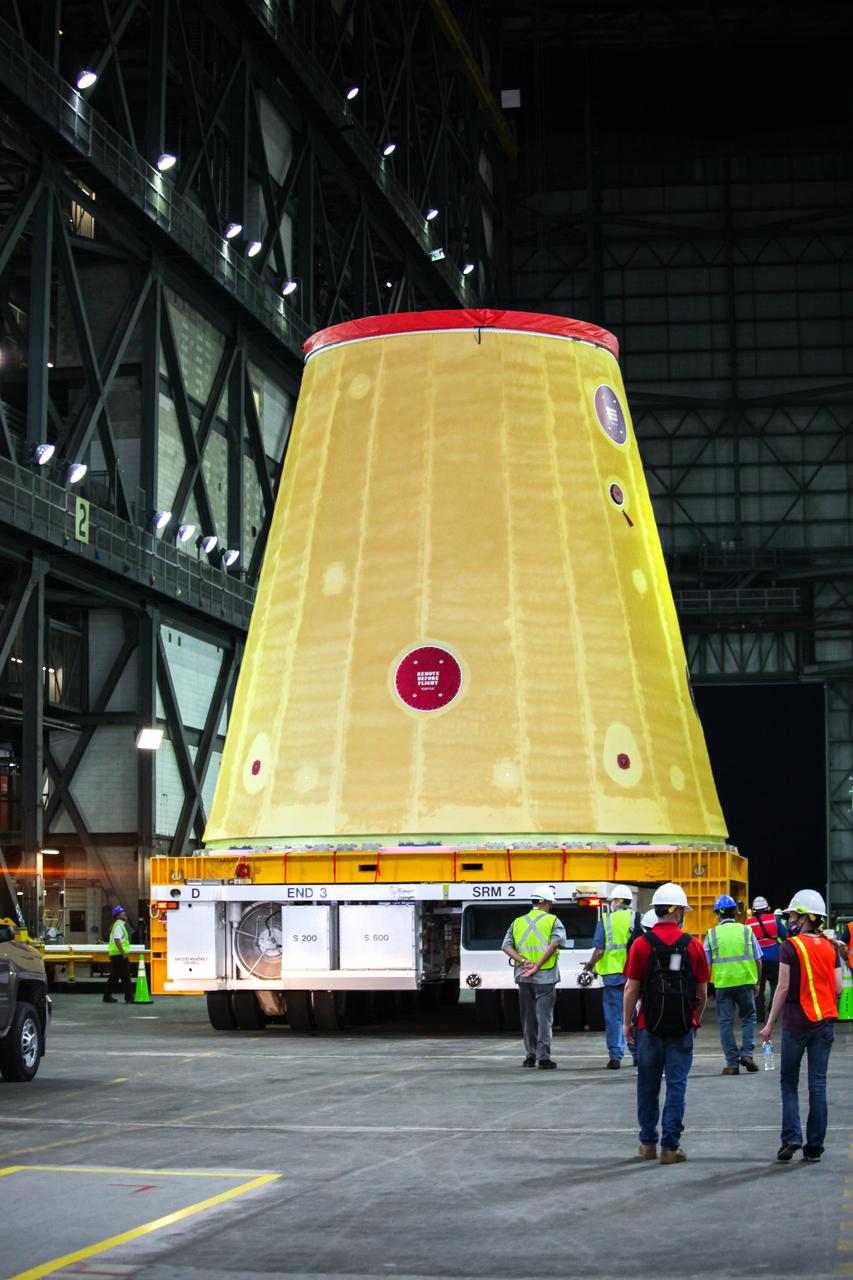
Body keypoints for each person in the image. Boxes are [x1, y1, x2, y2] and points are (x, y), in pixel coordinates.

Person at [622, 881, 708, 1165]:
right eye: (682, 909)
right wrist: (694, 1019)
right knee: (676, 1085)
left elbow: (631, 989)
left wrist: (627, 1023)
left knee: (647, 1085)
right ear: (675, 911)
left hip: (649, 1025)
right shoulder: (693, 945)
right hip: (682, 1026)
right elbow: (702, 991)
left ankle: (647, 1143)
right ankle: (670, 1148)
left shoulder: (641, 945)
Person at [759, 889, 842, 1163]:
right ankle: (815, 1146)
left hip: (796, 1023)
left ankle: (792, 1138)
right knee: (818, 1085)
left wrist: (770, 1023)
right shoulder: (831, 948)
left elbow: (782, 988)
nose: (790, 920)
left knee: (789, 1082)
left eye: (793, 915)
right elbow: (839, 988)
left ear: (805, 917)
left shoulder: (790, 946)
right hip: (825, 1023)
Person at [502, 885, 566, 1069]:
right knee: (544, 1018)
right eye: (550, 903)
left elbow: (506, 946)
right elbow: (555, 944)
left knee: (528, 1017)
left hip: (524, 977)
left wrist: (523, 961)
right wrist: (537, 965)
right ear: (546, 903)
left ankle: (530, 1056)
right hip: (545, 976)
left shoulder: (517, 922)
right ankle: (543, 1057)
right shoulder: (553, 921)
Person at [582, 884, 640, 1069]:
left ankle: (615, 1057)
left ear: (616, 902)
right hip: (634, 975)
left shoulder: (605, 921)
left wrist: (590, 965)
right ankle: (638, 1055)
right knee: (633, 1015)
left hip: (613, 976)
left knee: (614, 1017)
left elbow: (599, 951)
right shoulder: (638, 918)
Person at [705, 893, 763, 1074]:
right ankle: (747, 1054)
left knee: (725, 1023)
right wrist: (757, 982)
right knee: (748, 1018)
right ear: (734, 913)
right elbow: (758, 960)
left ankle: (731, 1064)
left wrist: (709, 986)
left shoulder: (711, 934)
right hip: (745, 982)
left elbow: (706, 965)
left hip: (723, 985)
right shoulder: (746, 931)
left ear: (718, 914)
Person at [747, 894, 787, 1021]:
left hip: (757, 959)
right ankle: (772, 1011)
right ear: (766, 908)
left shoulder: (748, 923)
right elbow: (784, 935)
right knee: (776, 985)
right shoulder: (774, 920)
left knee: (758, 987)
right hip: (774, 957)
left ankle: (759, 1016)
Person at [104, 905, 134, 1004]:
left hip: (115, 954)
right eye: (122, 912)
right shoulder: (118, 926)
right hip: (119, 955)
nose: (124, 913)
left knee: (114, 977)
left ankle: (107, 997)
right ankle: (129, 998)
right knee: (126, 977)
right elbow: (117, 941)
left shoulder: (119, 925)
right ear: (117, 916)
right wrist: (123, 953)